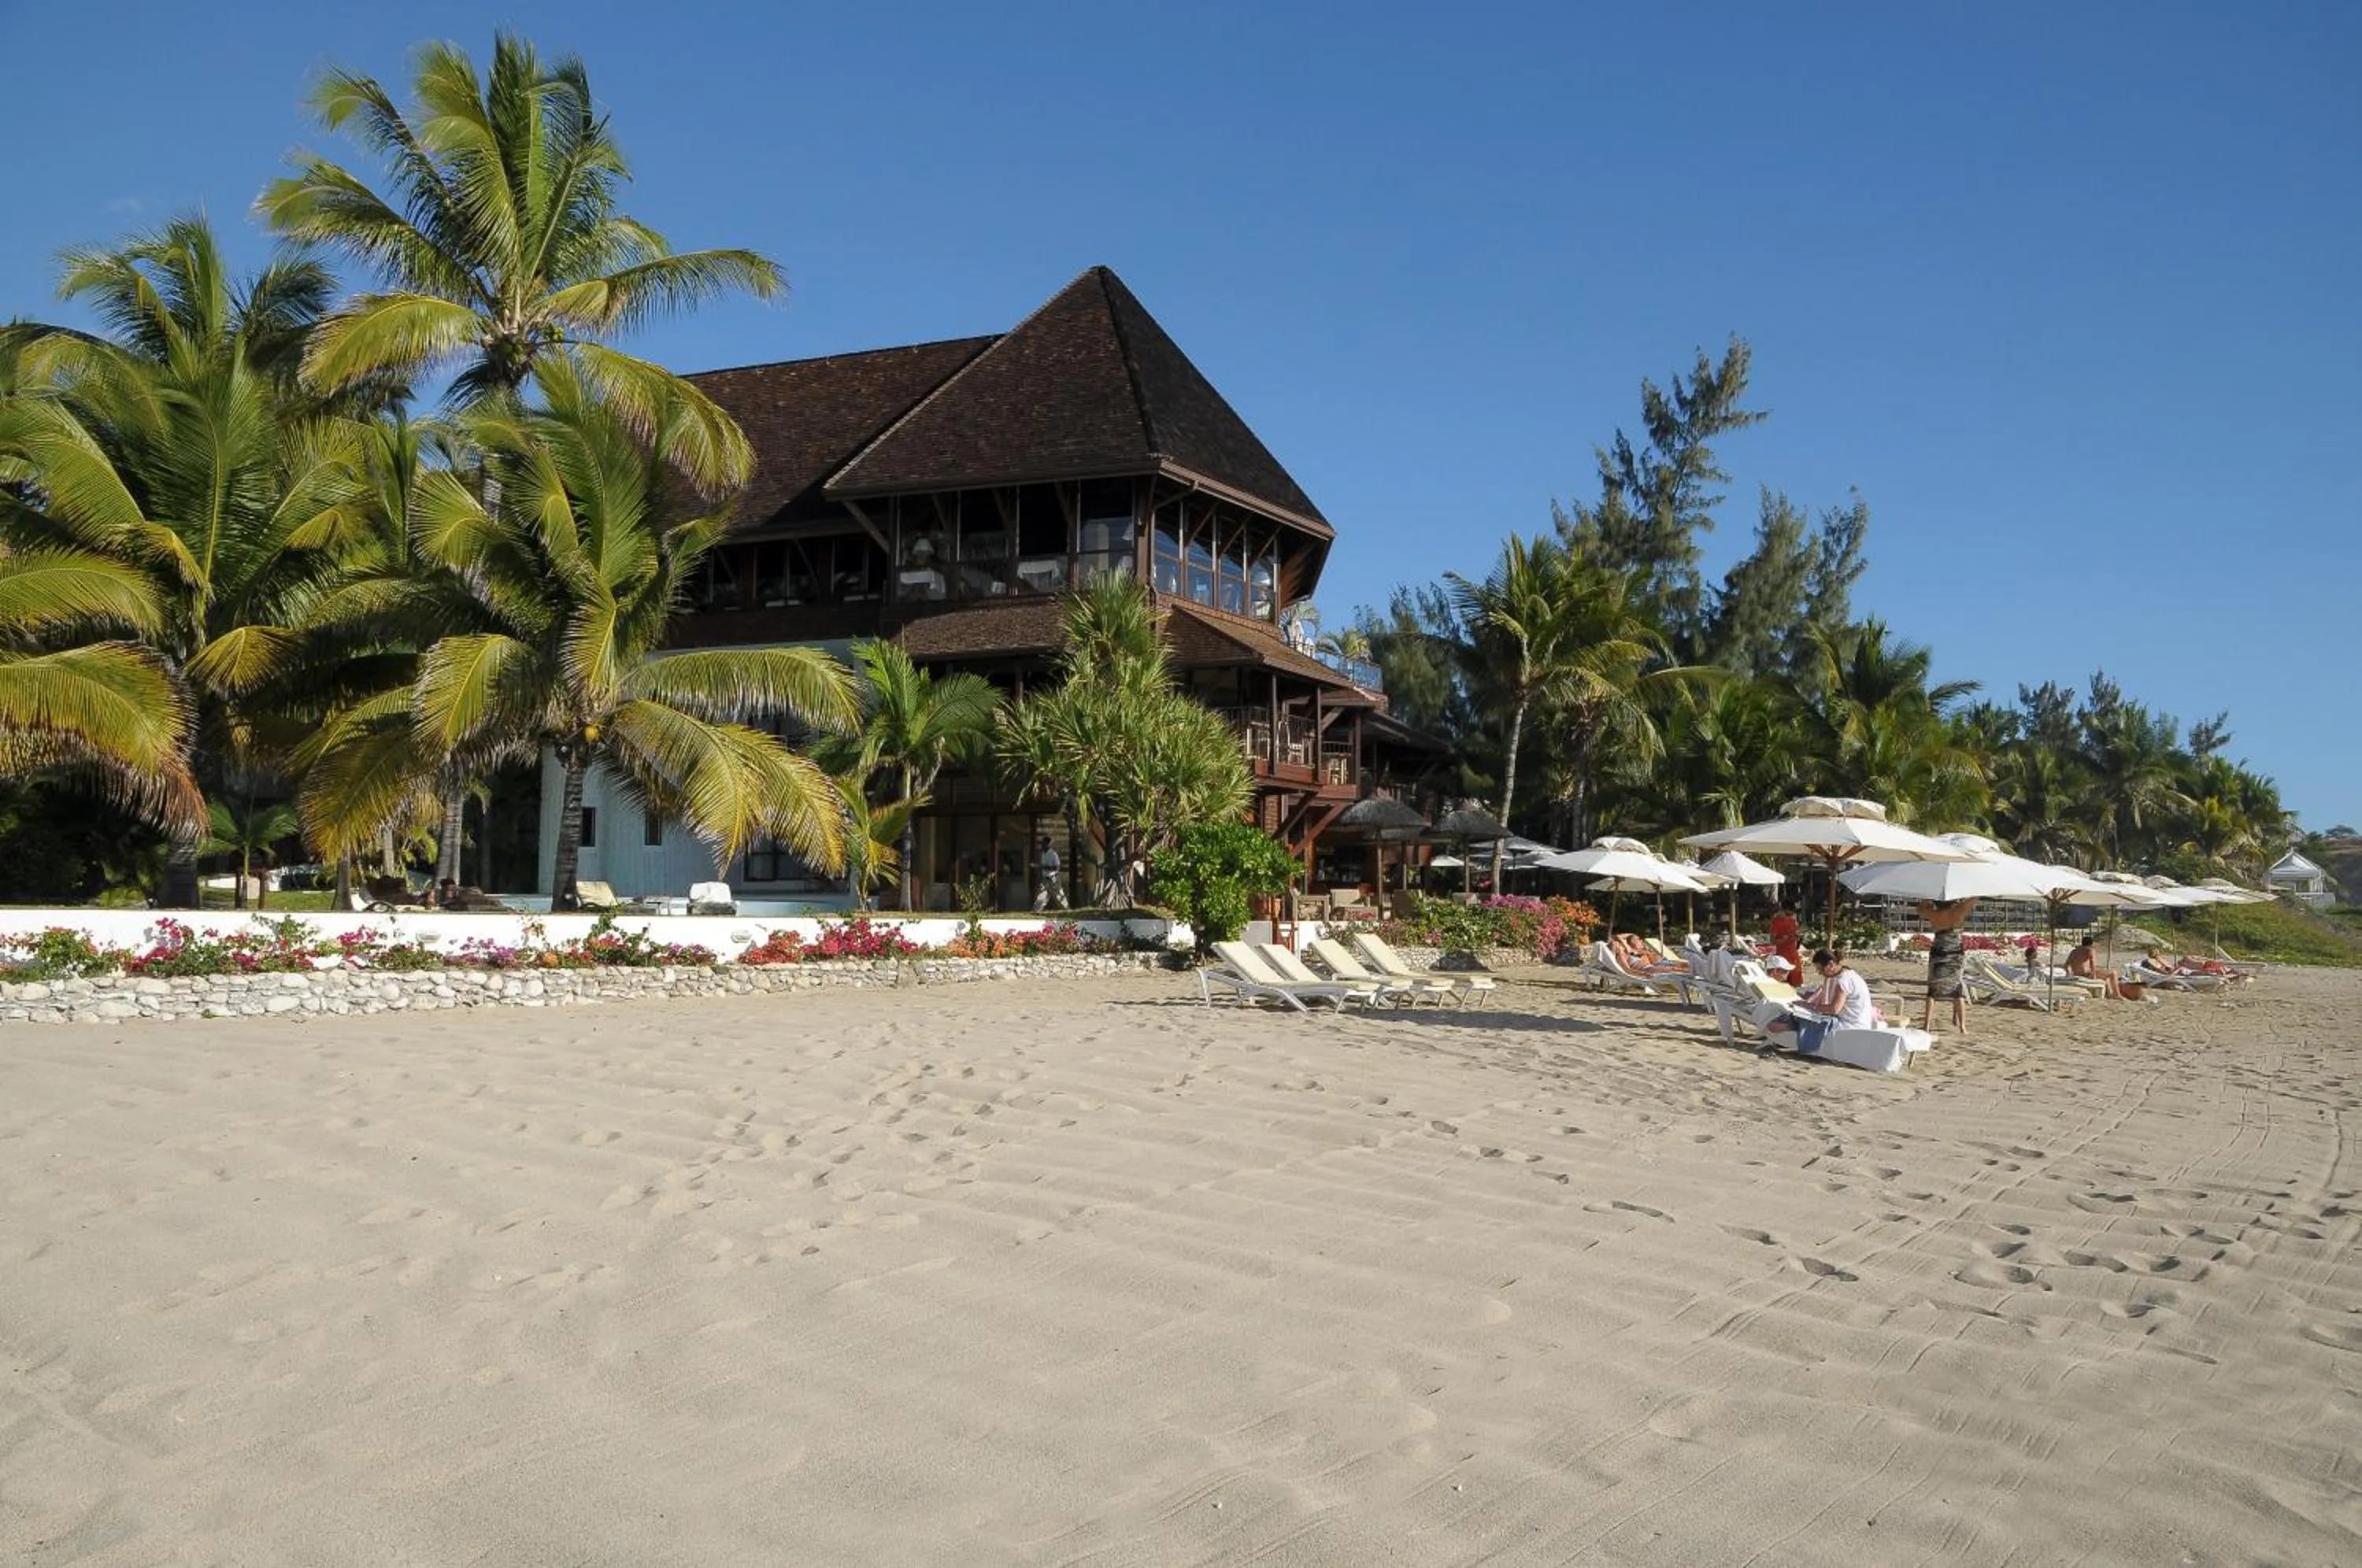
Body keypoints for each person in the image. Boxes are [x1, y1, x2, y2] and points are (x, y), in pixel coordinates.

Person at [1759, 949, 1875, 1056]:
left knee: (1789, 1021)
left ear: (1830, 965)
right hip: (1854, 1020)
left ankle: (1793, 1027)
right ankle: (1792, 1026)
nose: (1819, 973)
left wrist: (1808, 1006)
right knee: (1800, 1015)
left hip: (1850, 1024)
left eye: (1820, 969)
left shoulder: (1843, 981)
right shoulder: (1846, 975)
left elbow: (1834, 1009)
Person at [1916, 897, 1975, 1034]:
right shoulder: (1958, 912)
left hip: (1938, 953)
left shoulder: (1933, 913)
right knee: (1957, 991)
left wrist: (1927, 898)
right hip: (1955, 955)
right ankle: (1962, 1027)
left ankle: (1927, 1026)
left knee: (1932, 992)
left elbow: (1919, 910)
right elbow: (1973, 900)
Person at [2064, 937, 2128, 999]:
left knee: (2104, 974)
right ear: (2091, 944)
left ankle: (2110, 994)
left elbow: (2066, 965)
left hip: (2076, 974)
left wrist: (2069, 974)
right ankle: (2117, 995)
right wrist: (2094, 977)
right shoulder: (2090, 950)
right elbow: (2093, 965)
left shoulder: (2074, 951)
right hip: (2087, 974)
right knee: (2113, 973)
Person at [1767, 903, 1804, 981]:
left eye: (1791, 914)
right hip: (1782, 955)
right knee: (1783, 980)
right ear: (1782, 910)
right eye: (1788, 914)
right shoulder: (1776, 922)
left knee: (1796, 980)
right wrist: (1787, 940)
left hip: (1793, 954)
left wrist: (1798, 937)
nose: (1790, 916)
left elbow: (1797, 934)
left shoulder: (1793, 920)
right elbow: (1773, 941)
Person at [1034, 835, 1067, 911]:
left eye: (1044, 843)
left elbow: (1057, 867)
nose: (1042, 845)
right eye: (1042, 843)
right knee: (1041, 896)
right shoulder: (1043, 854)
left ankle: (1067, 910)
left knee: (1059, 896)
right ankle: (1036, 911)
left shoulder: (1053, 854)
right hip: (1045, 879)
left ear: (1048, 844)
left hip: (1053, 878)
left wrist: (1043, 867)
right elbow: (1042, 867)